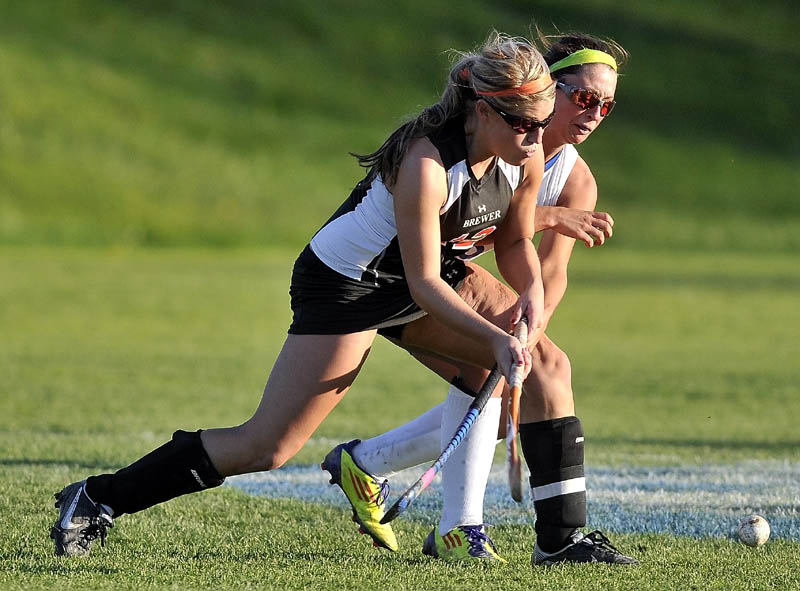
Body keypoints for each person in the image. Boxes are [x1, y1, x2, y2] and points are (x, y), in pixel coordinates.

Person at [50, 32, 557, 557]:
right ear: (482, 111)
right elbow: (425, 283)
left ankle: (466, 523)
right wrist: (496, 338)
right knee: (267, 446)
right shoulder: (427, 165)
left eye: (543, 123)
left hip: (416, 278)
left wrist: (531, 292)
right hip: (348, 286)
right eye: (522, 122)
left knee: (521, 377)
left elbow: (516, 239)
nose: (535, 135)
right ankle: (97, 497)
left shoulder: (526, 155)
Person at [322, 33, 637, 566]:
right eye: (584, 97)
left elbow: (550, 271)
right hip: (395, 274)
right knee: (517, 378)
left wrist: (529, 326)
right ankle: (497, 531)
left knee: (513, 387)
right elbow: (462, 223)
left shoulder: (575, 178)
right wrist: (544, 216)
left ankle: (382, 474)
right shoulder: (490, 139)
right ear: (544, 86)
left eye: (606, 105)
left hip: (440, 274)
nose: (595, 113)